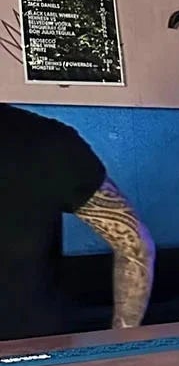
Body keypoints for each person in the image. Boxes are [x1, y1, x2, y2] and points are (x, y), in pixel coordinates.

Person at [1, 103, 154, 341]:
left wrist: (124, 342)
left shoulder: (45, 139)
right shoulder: (44, 138)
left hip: (37, 345)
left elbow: (133, 243)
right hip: (38, 345)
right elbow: (134, 244)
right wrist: (123, 342)